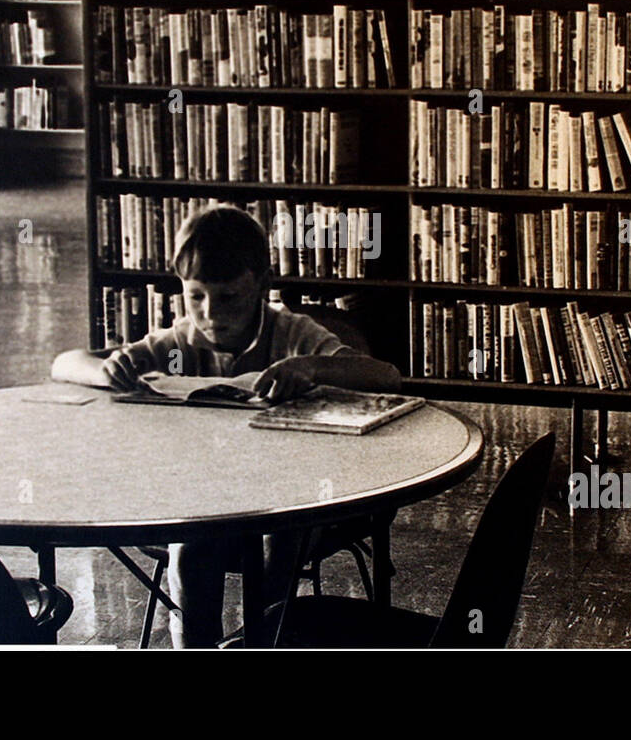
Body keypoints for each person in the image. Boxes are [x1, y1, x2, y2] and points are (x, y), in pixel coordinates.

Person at [52, 204, 401, 647]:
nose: (211, 314)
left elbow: (385, 377)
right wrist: (106, 371)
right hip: (208, 500)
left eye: (229, 297)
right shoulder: (178, 342)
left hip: (298, 501)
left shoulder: (292, 334)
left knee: (281, 532)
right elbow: (64, 364)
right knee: (194, 536)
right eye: (195, 296)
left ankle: (268, 636)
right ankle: (196, 644)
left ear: (261, 286)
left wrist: (313, 367)